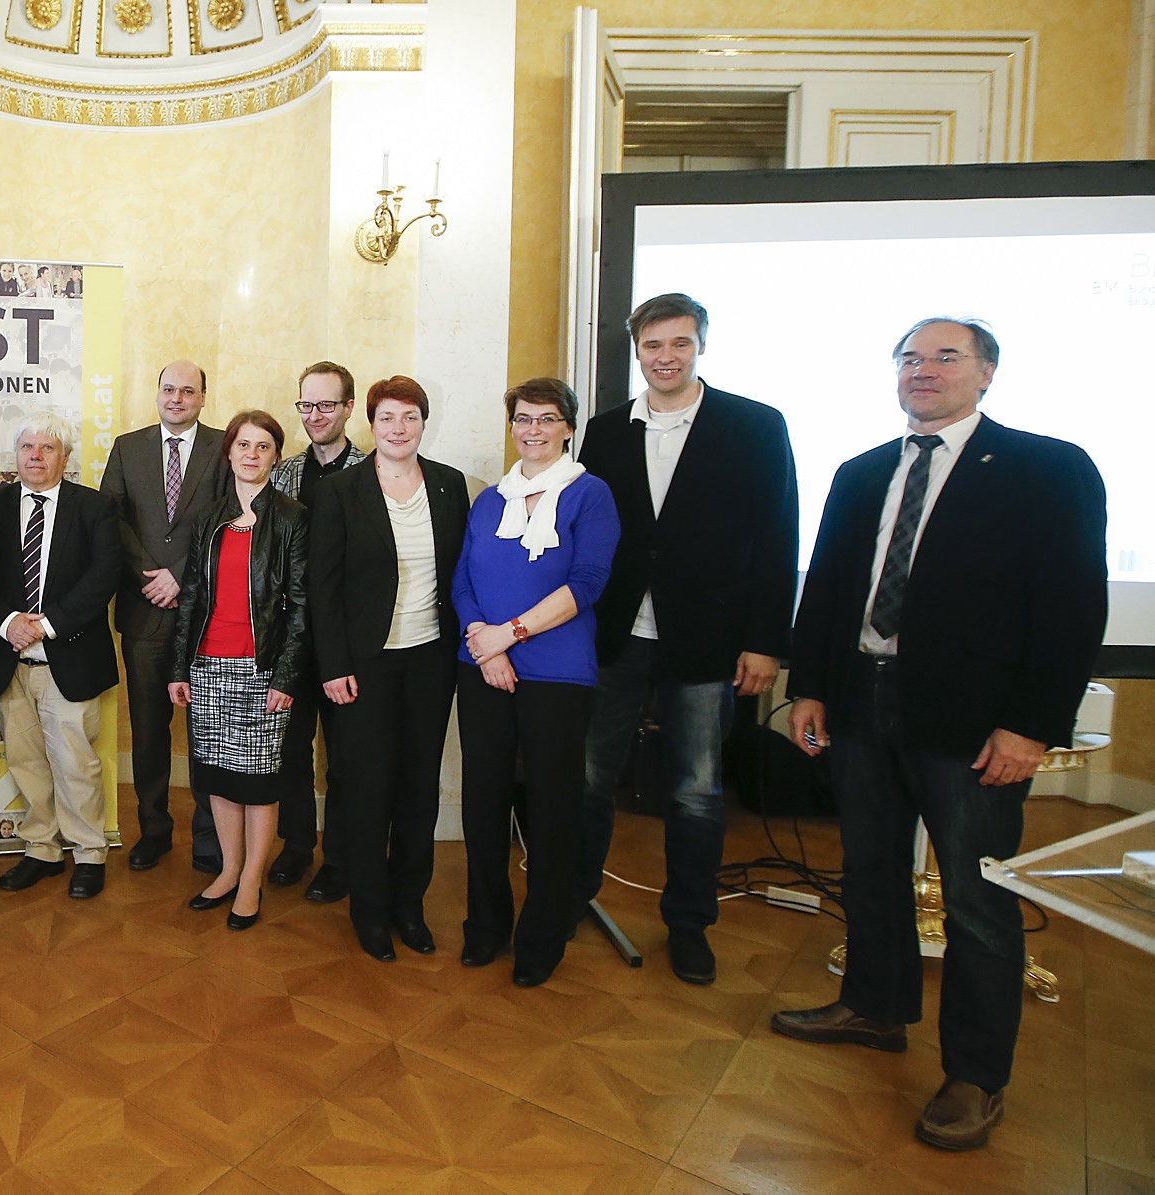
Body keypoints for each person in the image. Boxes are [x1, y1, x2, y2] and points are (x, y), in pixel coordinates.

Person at [773, 318, 1106, 1152]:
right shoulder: (859, 473)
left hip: (971, 724)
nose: (924, 371)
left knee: (979, 900)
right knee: (870, 869)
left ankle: (976, 1075)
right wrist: (808, 686)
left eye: (945, 357)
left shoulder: (1047, 468)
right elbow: (827, 593)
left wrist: (1031, 725)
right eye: (910, 359)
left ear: (987, 373)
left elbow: (1071, 608)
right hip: (861, 704)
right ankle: (876, 1007)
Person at [574, 292, 799, 986]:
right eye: (653, 346)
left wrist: (765, 642)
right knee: (588, 777)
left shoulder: (755, 426)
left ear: (700, 346)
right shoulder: (608, 430)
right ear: (635, 348)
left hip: (706, 640)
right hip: (615, 638)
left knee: (697, 790)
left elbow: (777, 536)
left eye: (680, 344)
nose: (665, 357)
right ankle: (570, 897)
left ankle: (689, 922)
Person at [452, 378, 619, 988]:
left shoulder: (590, 495)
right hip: (482, 670)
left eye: (547, 419)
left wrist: (509, 635)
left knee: (551, 813)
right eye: (523, 419)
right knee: (485, 806)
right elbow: (462, 581)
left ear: (568, 427)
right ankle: (485, 928)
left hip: (558, 674)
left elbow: (586, 583)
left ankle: (541, 939)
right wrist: (481, 639)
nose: (533, 430)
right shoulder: (489, 501)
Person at [309, 376, 469, 961]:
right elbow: (322, 590)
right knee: (367, 790)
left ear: (423, 423)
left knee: (418, 790)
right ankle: (370, 912)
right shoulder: (341, 491)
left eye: (410, 417)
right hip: (363, 669)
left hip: (430, 661)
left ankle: (410, 906)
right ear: (369, 424)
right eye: (387, 418)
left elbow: (461, 577)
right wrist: (333, 665)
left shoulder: (450, 487)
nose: (398, 428)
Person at [168, 410, 309, 932]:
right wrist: (179, 666)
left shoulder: (292, 517)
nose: (251, 455)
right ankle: (228, 870)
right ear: (228, 452)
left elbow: (300, 605)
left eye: (263, 447)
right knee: (220, 781)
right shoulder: (209, 518)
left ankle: (252, 880)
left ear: (275, 456)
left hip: (261, 669)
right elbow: (190, 598)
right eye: (243, 445)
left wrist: (285, 677)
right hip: (207, 667)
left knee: (258, 783)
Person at [0, 413, 121, 899]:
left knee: (76, 763)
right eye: (27, 448)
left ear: (65, 456)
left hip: (70, 658)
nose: (36, 457)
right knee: (27, 762)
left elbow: (104, 575)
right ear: (15, 456)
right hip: (9, 659)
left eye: (48, 448)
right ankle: (42, 849)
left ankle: (88, 853)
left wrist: (46, 623)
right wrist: (7, 623)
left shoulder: (94, 508)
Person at [99, 361, 226, 873]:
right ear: (157, 393)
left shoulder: (225, 445)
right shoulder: (129, 447)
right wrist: (151, 575)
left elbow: (230, 516)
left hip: (205, 613)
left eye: (187, 391)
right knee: (149, 729)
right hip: (144, 605)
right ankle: (153, 830)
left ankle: (208, 836)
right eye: (168, 389)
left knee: (205, 730)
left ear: (203, 397)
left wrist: (180, 573)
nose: (177, 398)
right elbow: (112, 517)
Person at [268, 361, 370, 901]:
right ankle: (296, 845)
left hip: (348, 640)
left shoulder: (372, 471)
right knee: (290, 750)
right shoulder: (282, 473)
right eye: (306, 405)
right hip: (291, 638)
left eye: (326, 405)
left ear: (349, 408)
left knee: (346, 756)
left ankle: (340, 858)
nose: (315, 416)